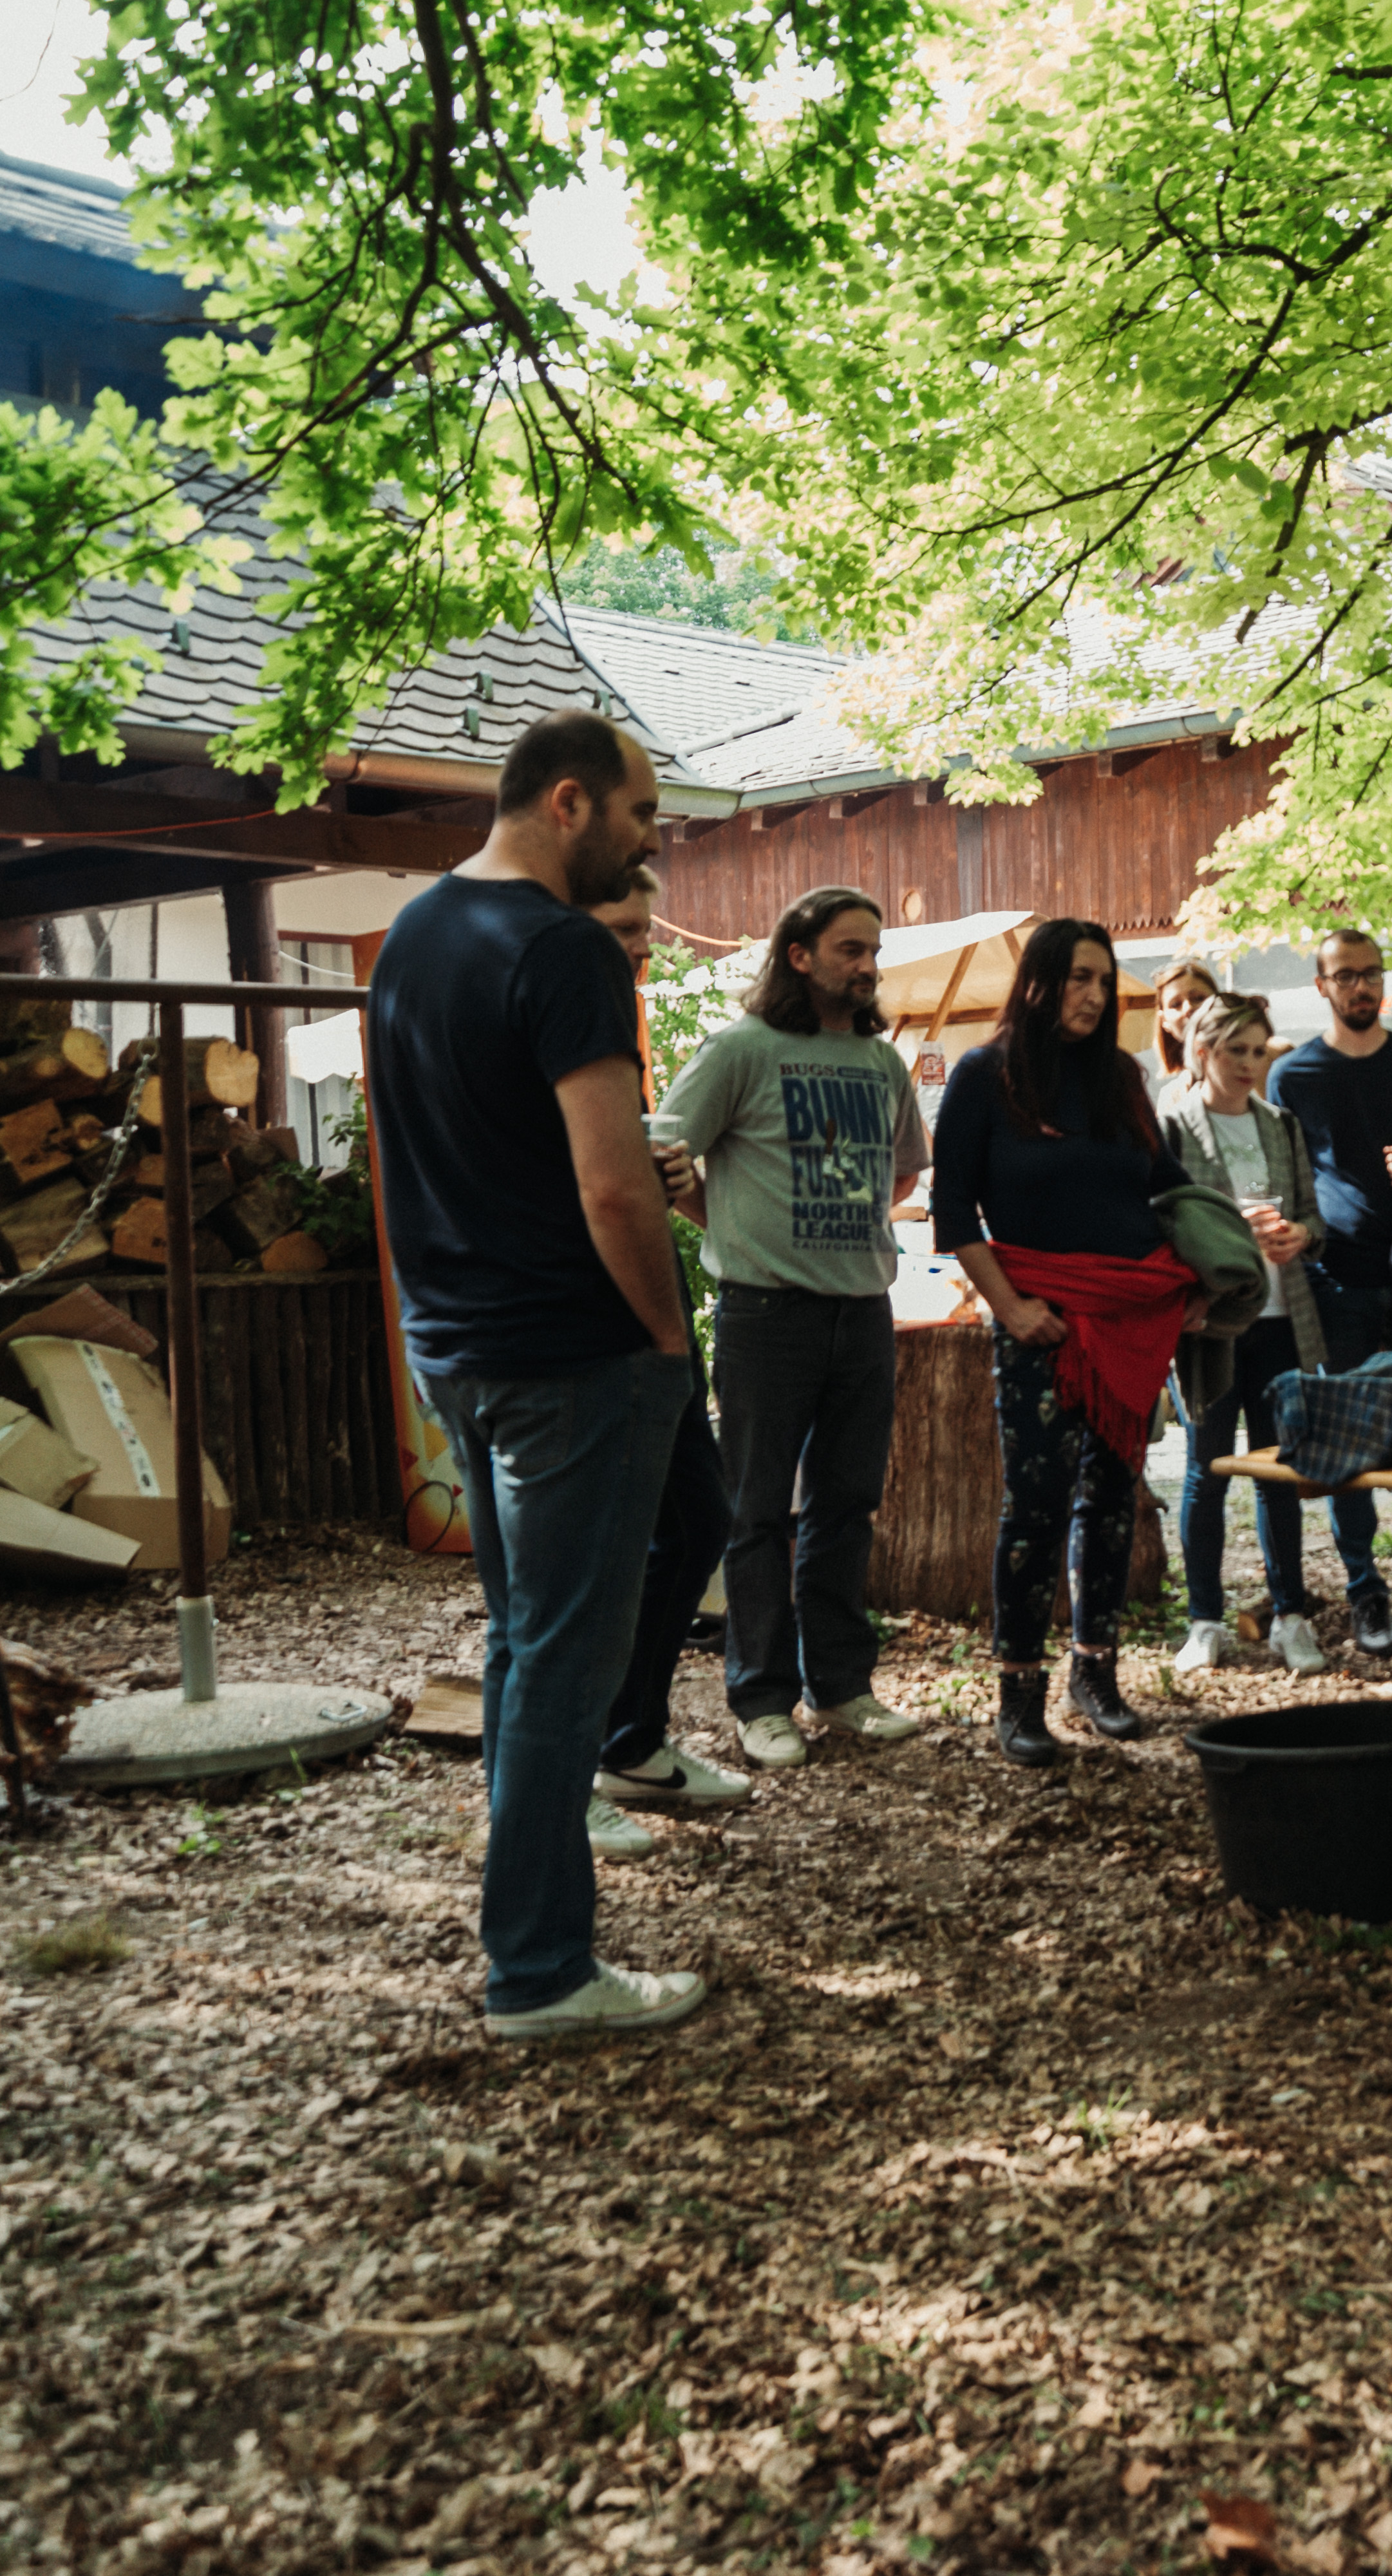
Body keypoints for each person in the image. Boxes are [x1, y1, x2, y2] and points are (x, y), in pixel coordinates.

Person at [366, 710, 705, 2042]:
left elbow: (408, 1158)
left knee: (525, 1640)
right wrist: (670, 1339)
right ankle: (541, 1966)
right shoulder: (561, 948)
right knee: (568, 1656)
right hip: (571, 1354)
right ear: (569, 802)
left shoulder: (415, 932)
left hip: (454, 1343)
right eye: (637, 814)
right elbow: (617, 1186)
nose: (645, 839)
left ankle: (530, 1935)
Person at [661, 880, 930, 1772]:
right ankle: (761, 1699)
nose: (867, 967)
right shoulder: (742, 1049)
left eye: (873, 952)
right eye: (850, 950)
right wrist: (729, 1224)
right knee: (755, 1513)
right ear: (800, 956)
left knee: (846, 1507)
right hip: (764, 1315)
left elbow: (898, 1178)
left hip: (862, 1312)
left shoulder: (881, 1065)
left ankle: (843, 1687)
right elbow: (663, 1152)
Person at [932, 920, 1193, 1766]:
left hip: (1126, 1323)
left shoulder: (1121, 1079)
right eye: (1077, 977)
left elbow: (1165, 1187)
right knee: (1035, 1509)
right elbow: (952, 1210)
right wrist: (1009, 1308)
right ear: (1039, 983)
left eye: (1103, 981)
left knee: (1114, 1500)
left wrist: (1214, 1254)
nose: (1092, 995)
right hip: (1039, 1324)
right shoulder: (985, 1074)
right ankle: (1019, 1693)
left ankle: (1097, 1675)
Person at [574, 866, 749, 1862]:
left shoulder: (617, 1033)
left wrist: (674, 1176)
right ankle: (572, 1775)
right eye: (627, 928)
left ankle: (634, 1742)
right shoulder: (545, 1025)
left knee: (698, 1520)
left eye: (645, 930)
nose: (646, 946)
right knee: (590, 1559)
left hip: (662, 1318)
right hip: (592, 1330)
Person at [1263, 924, 1392, 1656]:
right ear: (1322, 986)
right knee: (1348, 1440)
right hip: (1333, 1278)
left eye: (1371, 973)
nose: (1362, 987)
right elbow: (1286, 1178)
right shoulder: (1295, 1076)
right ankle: (1366, 1595)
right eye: (1346, 975)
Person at [1156, 978, 1346, 1674]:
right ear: (1201, 1050)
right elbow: (1164, 1221)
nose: (1247, 1063)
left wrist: (1299, 1233)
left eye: (1258, 1050)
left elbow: (1313, 1220)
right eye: (1234, 1049)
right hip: (1211, 1320)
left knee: (1278, 1468)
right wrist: (1228, 1230)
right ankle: (1204, 1618)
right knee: (1206, 1471)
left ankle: (1290, 1614)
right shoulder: (1174, 1124)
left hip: (1280, 1318)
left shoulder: (1280, 1124)